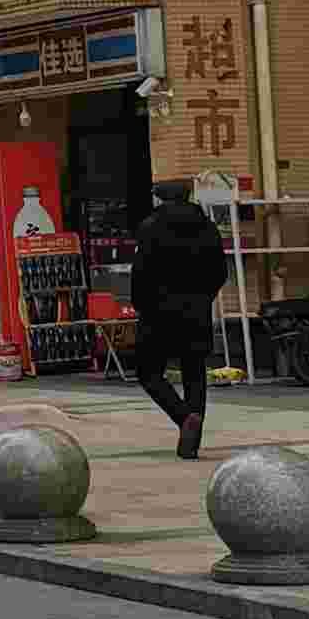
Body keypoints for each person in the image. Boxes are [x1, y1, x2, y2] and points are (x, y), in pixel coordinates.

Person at [130, 181, 230, 458]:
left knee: (149, 373)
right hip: (197, 312)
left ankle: (183, 416)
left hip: (157, 313)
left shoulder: (150, 227)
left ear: (160, 199)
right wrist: (203, 298)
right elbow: (220, 272)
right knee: (194, 371)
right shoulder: (207, 228)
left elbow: (140, 273)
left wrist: (141, 304)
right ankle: (191, 442)